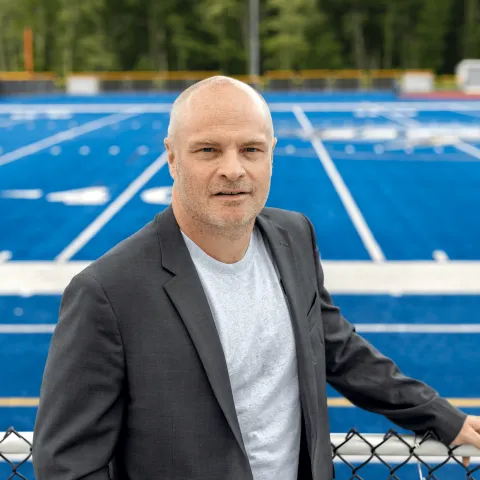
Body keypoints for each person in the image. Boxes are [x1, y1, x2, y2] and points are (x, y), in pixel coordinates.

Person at [32, 76, 480, 480]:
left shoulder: (295, 236)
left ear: (271, 154)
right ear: (172, 157)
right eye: (208, 150)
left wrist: (444, 418)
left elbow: (336, 347)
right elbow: (66, 464)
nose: (233, 169)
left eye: (251, 149)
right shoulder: (108, 292)